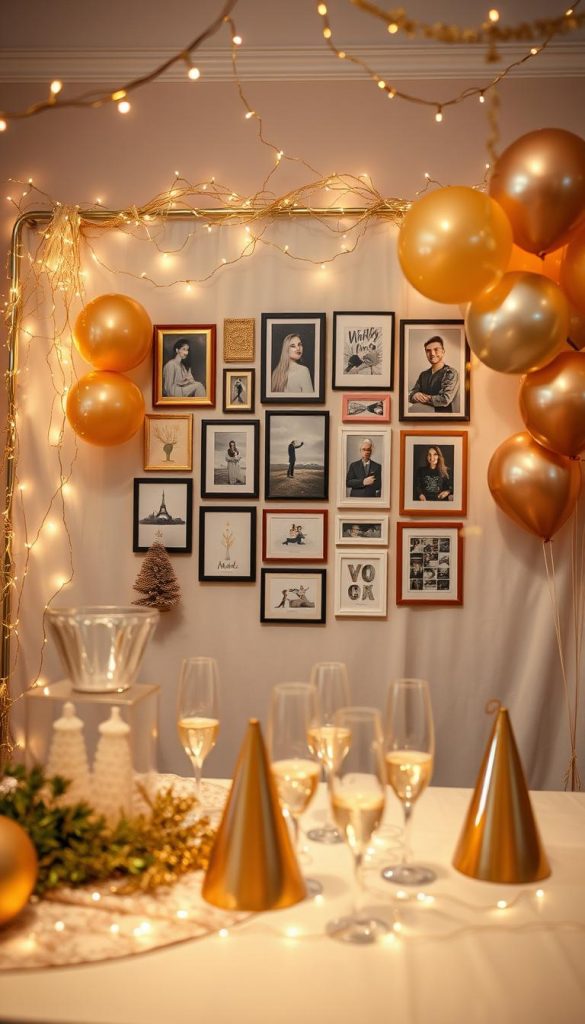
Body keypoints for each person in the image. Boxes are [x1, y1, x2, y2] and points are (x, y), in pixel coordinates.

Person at [408, 336, 459, 413]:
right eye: (428, 351)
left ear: (443, 351)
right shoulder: (423, 375)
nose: (432, 353)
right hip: (422, 419)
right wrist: (414, 395)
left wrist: (421, 397)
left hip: (442, 419)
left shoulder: (450, 373)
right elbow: (411, 394)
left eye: (436, 349)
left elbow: (445, 399)